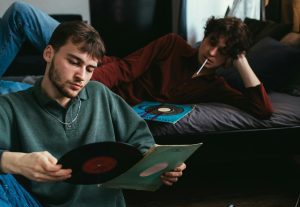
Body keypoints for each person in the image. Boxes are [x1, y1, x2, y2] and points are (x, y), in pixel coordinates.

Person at [0, 19, 186, 207]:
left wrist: (160, 164)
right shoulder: (10, 105)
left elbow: (143, 143)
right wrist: (14, 161)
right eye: (74, 62)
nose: (81, 76)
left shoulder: (101, 96)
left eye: (89, 68)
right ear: (49, 53)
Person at [0, 2, 273, 119]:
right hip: (100, 68)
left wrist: (240, 60)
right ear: (205, 38)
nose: (212, 53)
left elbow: (262, 110)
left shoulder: (215, 87)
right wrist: (85, 81)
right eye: (212, 43)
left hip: (106, 95)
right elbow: (124, 68)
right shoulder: (173, 45)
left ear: (229, 60)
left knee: (10, 93)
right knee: (21, 13)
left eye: (223, 52)